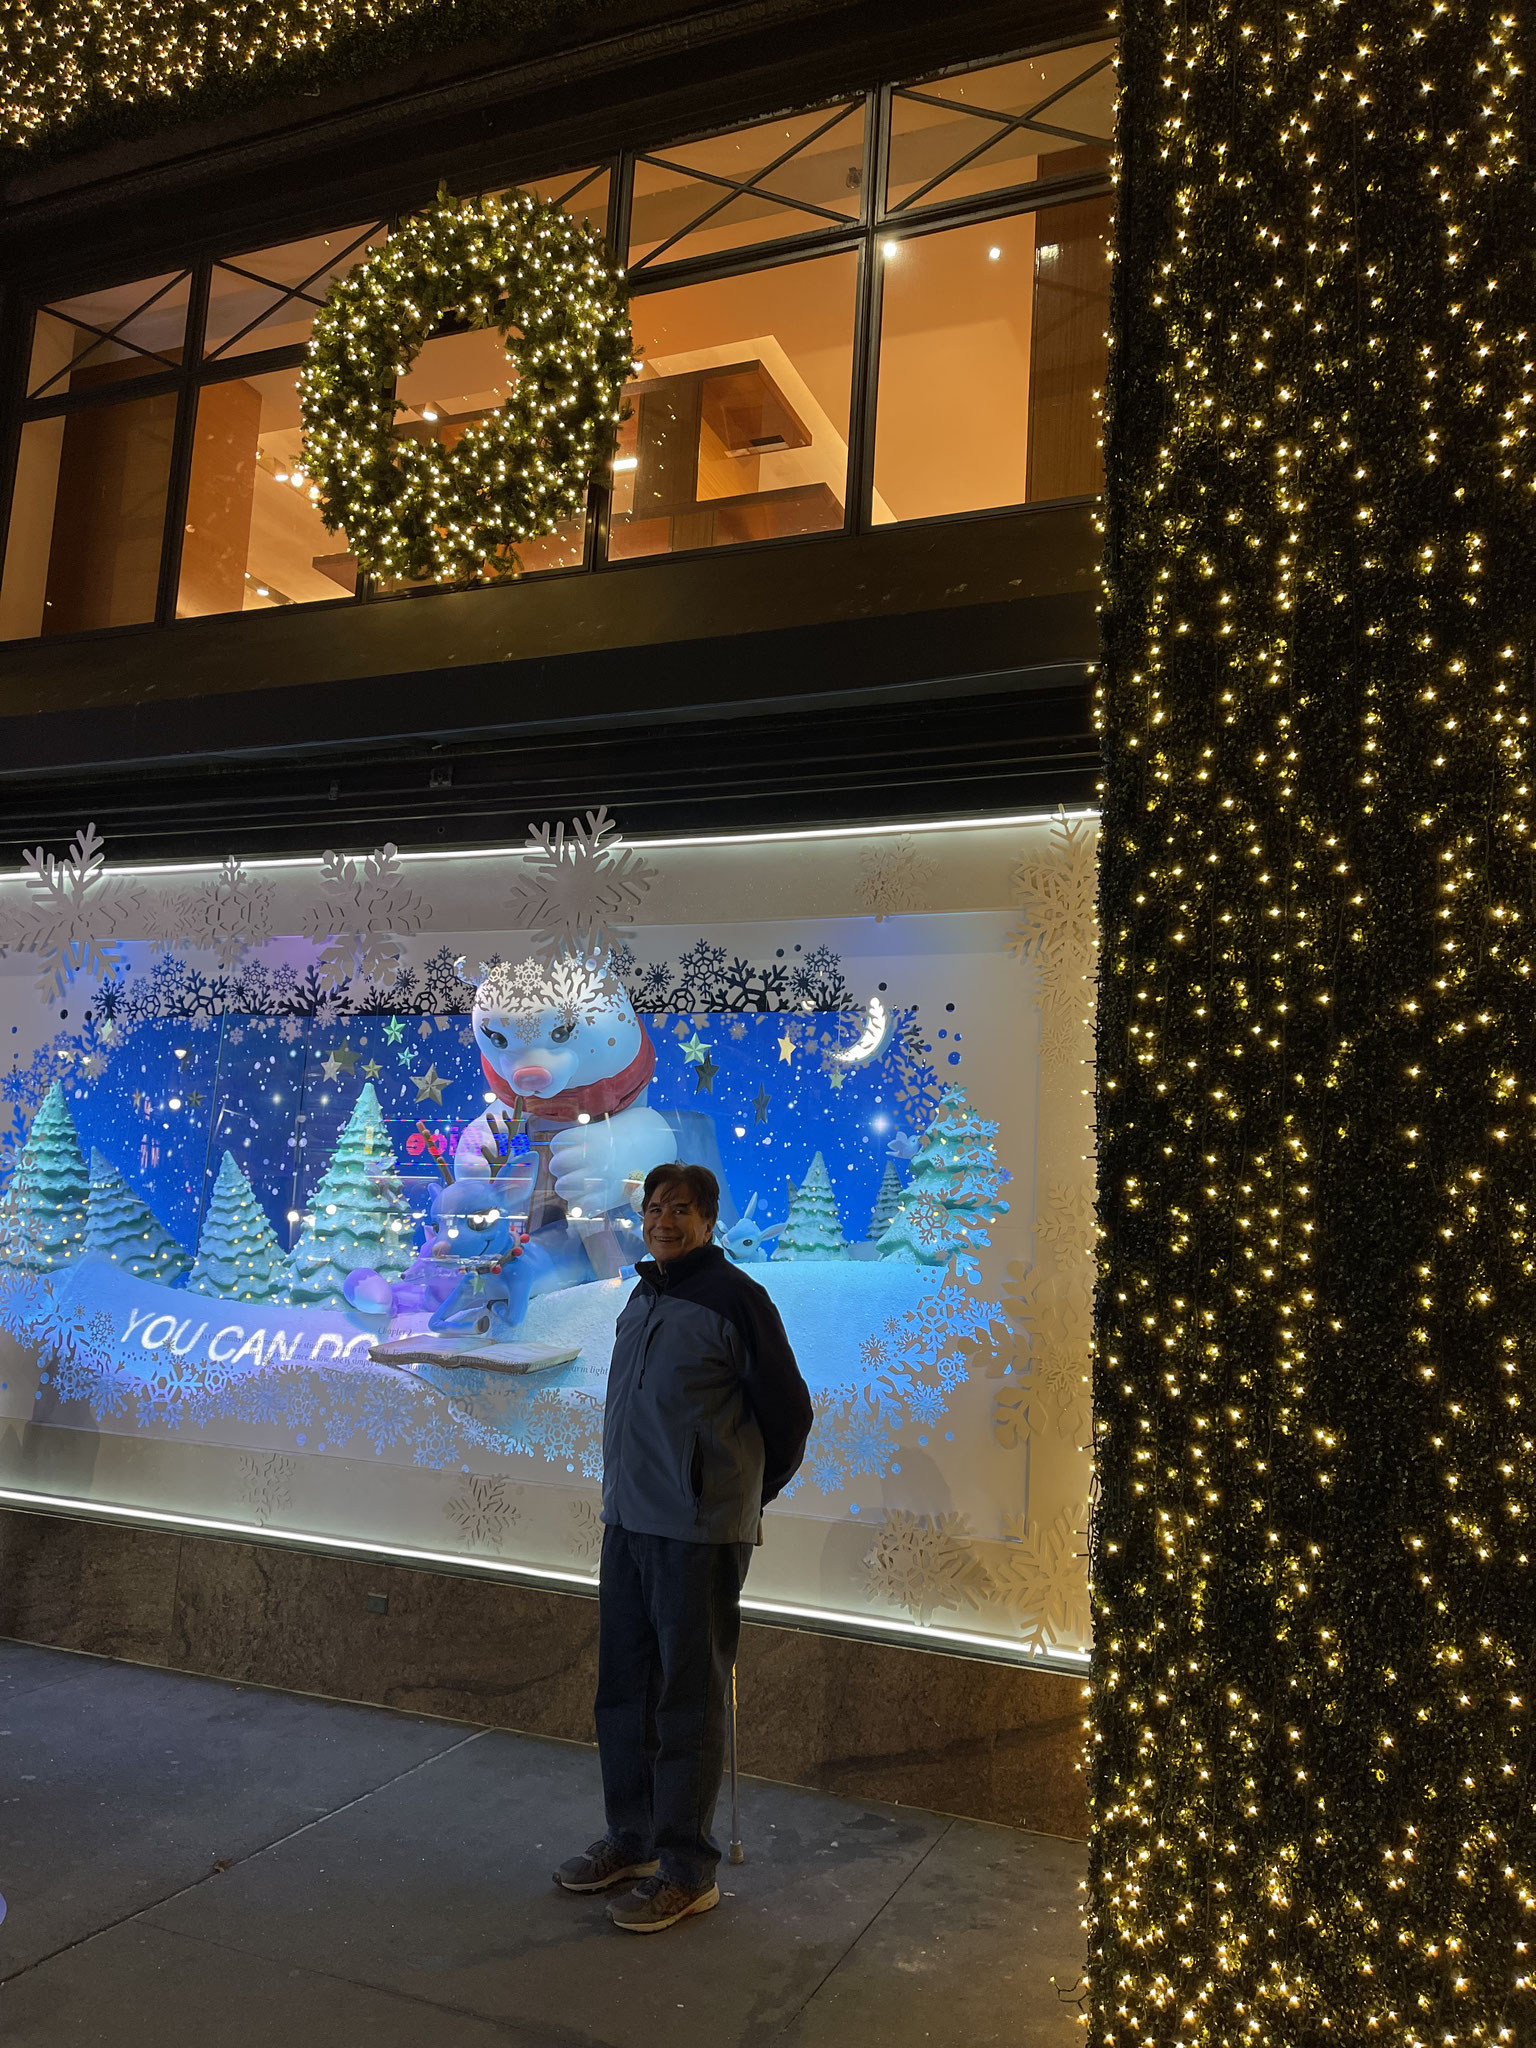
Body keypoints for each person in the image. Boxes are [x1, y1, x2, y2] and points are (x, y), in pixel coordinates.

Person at [554, 1161, 813, 1933]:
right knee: (624, 1691)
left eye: (682, 1209)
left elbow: (788, 1417)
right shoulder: (646, 1292)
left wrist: (734, 1494)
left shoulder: (737, 1299)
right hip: (629, 1523)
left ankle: (686, 1869)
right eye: (655, 1207)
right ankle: (631, 1840)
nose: (664, 1220)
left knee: (688, 1697)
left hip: (696, 1534)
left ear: (708, 1218)